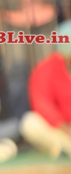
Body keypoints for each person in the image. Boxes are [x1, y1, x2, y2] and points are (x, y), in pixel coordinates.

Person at [19, 21, 71, 158]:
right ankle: (63, 148)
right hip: (63, 129)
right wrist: (66, 128)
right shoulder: (46, 68)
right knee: (30, 122)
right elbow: (43, 105)